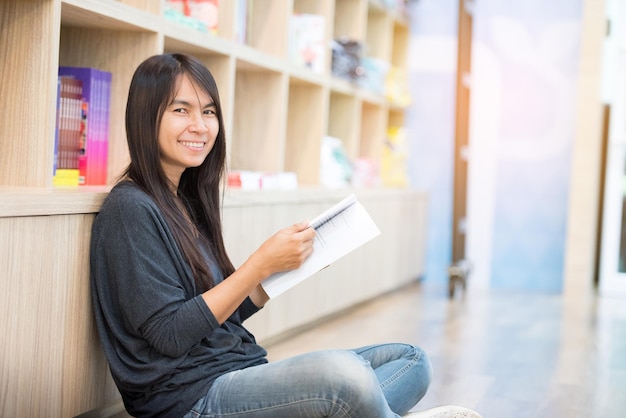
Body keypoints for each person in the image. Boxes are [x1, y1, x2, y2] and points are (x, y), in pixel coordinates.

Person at [90, 52, 481, 418]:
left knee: (411, 360)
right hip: (190, 398)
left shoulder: (186, 202)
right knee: (344, 376)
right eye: (182, 110)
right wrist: (258, 263)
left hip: (234, 369)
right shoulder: (129, 208)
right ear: (146, 117)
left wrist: (290, 267)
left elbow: (223, 315)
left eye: (209, 112)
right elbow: (171, 336)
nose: (201, 125)